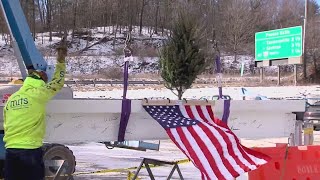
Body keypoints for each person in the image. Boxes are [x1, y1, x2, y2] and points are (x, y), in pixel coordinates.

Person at [3, 44, 68, 180]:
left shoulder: (12, 99)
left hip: (10, 150)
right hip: (30, 151)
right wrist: (61, 62)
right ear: (40, 82)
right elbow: (57, 83)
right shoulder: (39, 93)